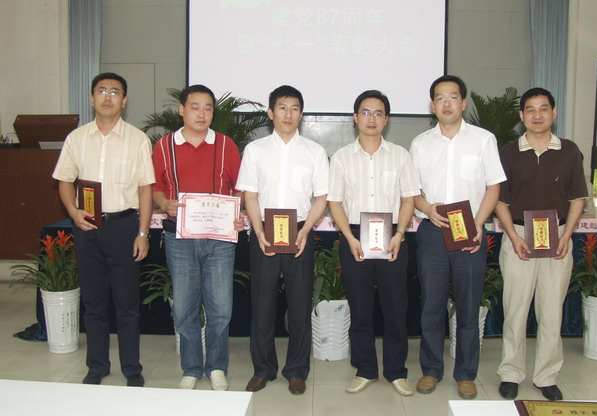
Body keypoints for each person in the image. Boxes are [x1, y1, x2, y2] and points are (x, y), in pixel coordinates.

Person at [53, 72, 154, 387]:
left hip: (124, 227)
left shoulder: (137, 139)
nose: (108, 96)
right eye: (102, 91)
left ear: (124, 100)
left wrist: (142, 233)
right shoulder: (76, 138)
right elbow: (64, 180)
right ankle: (96, 366)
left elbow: (145, 190)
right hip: (87, 227)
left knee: (127, 305)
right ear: (92, 98)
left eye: (115, 91)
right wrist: (73, 212)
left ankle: (132, 368)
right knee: (94, 303)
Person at [409, 75, 506, 399]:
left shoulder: (483, 140)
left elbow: (493, 187)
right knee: (431, 307)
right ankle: (431, 370)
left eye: (452, 97)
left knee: (468, 306)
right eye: (440, 98)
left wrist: (478, 223)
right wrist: (427, 207)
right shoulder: (420, 143)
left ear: (463, 103)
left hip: (471, 233)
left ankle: (466, 373)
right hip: (432, 233)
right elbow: (411, 191)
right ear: (432, 105)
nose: (446, 103)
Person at [496, 88, 588, 401]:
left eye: (543, 108)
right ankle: (511, 373)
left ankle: (546, 376)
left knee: (551, 312)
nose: (537, 115)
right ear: (521, 115)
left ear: (554, 112)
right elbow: (500, 201)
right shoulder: (508, 152)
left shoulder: (569, 151)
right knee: (515, 310)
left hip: (558, 238)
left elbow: (577, 199)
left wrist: (566, 236)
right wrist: (513, 236)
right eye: (531, 109)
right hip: (519, 237)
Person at [236, 85, 329, 395]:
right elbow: (250, 194)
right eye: (282, 108)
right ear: (270, 112)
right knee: (262, 303)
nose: (288, 114)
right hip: (264, 232)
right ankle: (263, 369)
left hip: (300, 232)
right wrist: (258, 229)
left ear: (301, 114)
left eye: (295, 108)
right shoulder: (255, 150)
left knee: (300, 304)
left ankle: (297, 370)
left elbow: (322, 197)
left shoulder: (314, 151)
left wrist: (306, 230)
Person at [327, 90, 421, 396]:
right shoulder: (341, 157)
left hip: (392, 236)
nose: (371, 119)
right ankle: (365, 369)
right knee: (360, 308)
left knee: (396, 308)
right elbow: (335, 202)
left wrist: (400, 234)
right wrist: (349, 238)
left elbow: (408, 199)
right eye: (366, 112)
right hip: (354, 236)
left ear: (386, 119)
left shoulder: (400, 155)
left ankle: (396, 371)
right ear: (355, 117)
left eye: (378, 113)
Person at [151, 84, 242, 390]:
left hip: (220, 240)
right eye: (195, 107)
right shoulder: (164, 146)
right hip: (179, 238)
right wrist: (164, 203)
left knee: (221, 308)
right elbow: (155, 187)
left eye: (208, 108)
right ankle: (191, 367)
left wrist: (238, 212)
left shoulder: (226, 145)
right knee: (184, 308)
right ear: (182, 110)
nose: (201, 114)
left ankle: (217, 366)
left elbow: (240, 187)